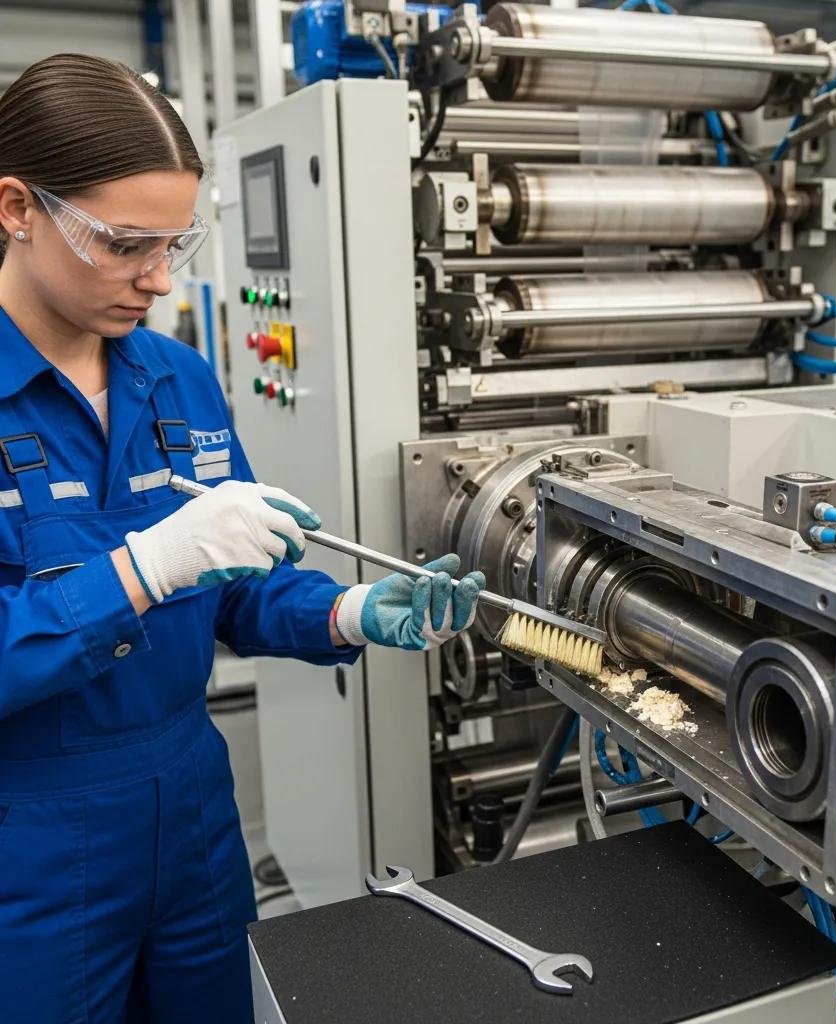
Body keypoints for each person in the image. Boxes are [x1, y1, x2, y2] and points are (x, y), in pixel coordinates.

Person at [0, 53, 484, 1023]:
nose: (157, 281)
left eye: (175, 246)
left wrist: (345, 610)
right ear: (16, 207)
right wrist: (141, 568)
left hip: (189, 818)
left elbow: (232, 585)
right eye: (126, 243)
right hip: (31, 838)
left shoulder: (172, 379)